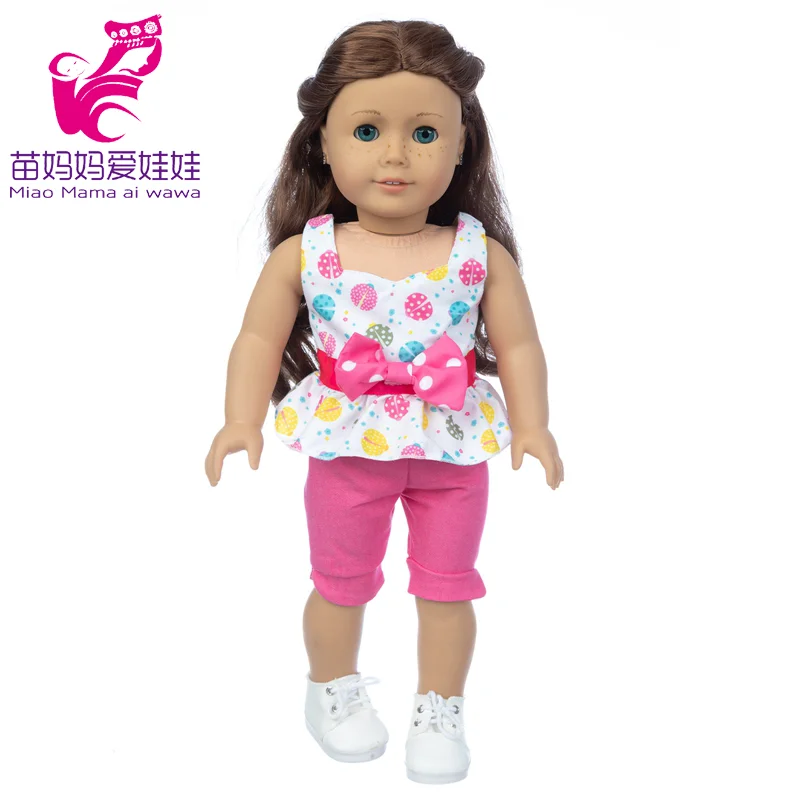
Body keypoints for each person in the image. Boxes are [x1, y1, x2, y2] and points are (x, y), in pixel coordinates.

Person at [205, 19, 564, 784]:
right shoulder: (306, 253)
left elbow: (521, 346)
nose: (396, 154)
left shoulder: (478, 254)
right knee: (341, 583)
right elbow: (257, 339)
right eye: (367, 131)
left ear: (462, 145)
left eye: (424, 132)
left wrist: (533, 425)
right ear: (323, 144)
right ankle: (330, 689)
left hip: (452, 448)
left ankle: (441, 706)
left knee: (448, 588)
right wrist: (240, 419)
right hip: (347, 447)